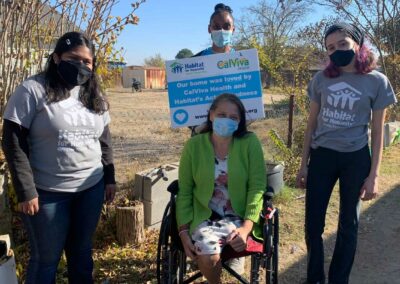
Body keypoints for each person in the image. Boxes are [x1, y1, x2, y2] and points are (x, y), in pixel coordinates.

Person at [2, 31, 116, 284]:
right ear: (56, 58)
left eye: (87, 61)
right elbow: (12, 142)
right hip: (47, 194)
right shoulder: (32, 90)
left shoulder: (95, 95)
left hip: (91, 189)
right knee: (46, 260)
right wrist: (26, 189)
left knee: (81, 254)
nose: (81, 65)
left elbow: (104, 141)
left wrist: (110, 178)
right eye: (73, 58)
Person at [296, 22, 397, 284]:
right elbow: (311, 125)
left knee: (348, 225)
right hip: (322, 156)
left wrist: (374, 175)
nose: (337, 50)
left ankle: (338, 280)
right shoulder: (321, 79)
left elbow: (377, 133)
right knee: (313, 225)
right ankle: (315, 278)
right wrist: (303, 164)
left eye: (342, 43)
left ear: (357, 44)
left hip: (355, 157)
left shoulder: (377, 82)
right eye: (330, 47)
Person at [176, 93, 266, 284]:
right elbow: (185, 190)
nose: (227, 120)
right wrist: (183, 233)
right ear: (211, 115)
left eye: (233, 117)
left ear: (240, 121)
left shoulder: (250, 143)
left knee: (216, 248)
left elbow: (257, 187)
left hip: (239, 216)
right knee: (209, 256)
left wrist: (245, 228)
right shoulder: (194, 146)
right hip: (204, 215)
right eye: (221, 114)